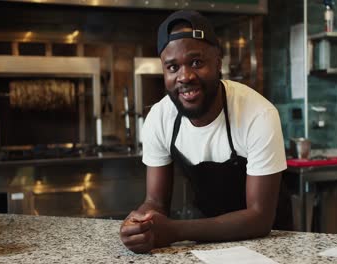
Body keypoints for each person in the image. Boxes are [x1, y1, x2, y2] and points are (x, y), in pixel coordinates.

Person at [119, 10, 287, 254]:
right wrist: (142, 225)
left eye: (196, 62)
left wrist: (176, 231)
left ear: (218, 62)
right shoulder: (159, 118)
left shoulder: (258, 114)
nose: (185, 76)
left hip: (272, 243)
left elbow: (259, 218)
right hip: (208, 243)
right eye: (173, 67)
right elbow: (155, 202)